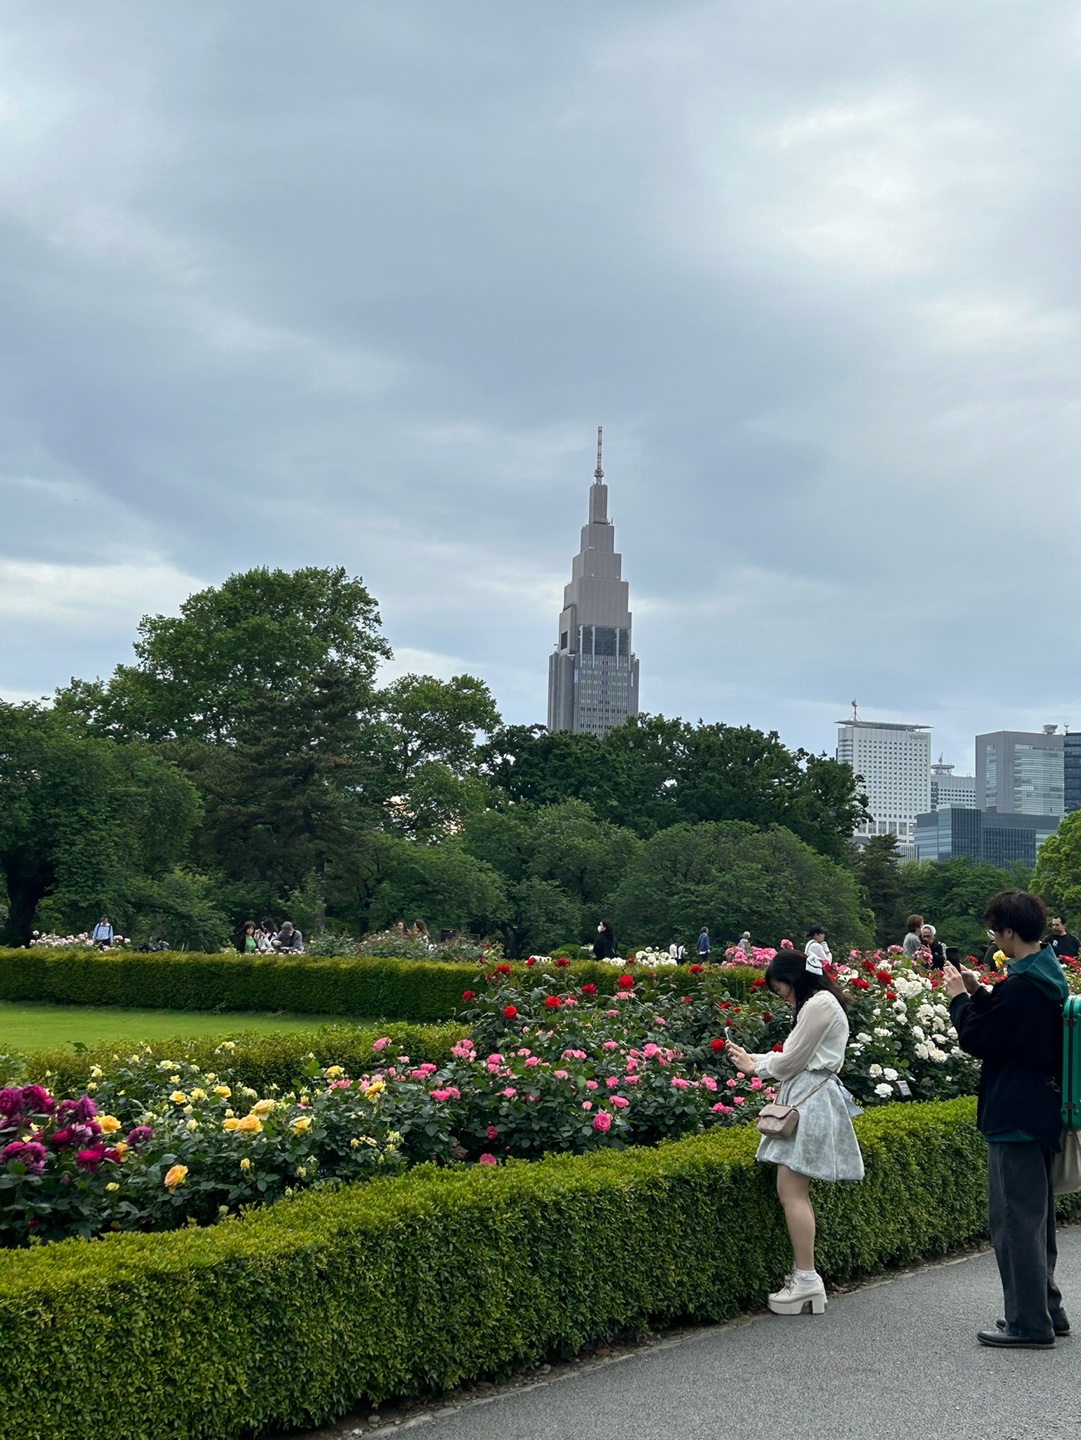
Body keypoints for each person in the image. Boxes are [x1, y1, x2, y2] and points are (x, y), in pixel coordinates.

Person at [943, 890, 1069, 1348]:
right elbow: (1015, 1027)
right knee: (1036, 1219)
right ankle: (1047, 1310)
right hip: (1041, 1110)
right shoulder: (1046, 974)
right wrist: (980, 992)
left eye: (995, 930)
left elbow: (980, 1039)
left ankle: (1027, 1323)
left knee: (1014, 1222)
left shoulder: (1021, 987)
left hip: (1013, 1113)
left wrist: (959, 1000)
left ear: (1010, 932)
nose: (994, 937)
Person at [726, 949, 864, 1316]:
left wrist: (754, 1066)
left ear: (794, 979)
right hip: (807, 1097)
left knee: (792, 1192)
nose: (781, 995)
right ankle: (805, 1278)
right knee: (792, 1191)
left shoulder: (819, 1004)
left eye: (780, 987)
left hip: (808, 1101)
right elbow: (795, 1059)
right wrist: (753, 1059)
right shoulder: (821, 1003)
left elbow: (790, 1062)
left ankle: (806, 1279)